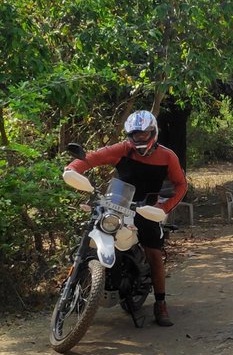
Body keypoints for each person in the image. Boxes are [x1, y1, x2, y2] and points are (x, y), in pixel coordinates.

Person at [64, 110, 187, 327]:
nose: (139, 138)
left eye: (144, 134)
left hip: (147, 209)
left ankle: (160, 303)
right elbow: (90, 158)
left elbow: (181, 184)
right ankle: (77, 286)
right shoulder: (122, 149)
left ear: (153, 132)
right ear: (129, 134)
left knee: (154, 253)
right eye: (135, 134)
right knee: (90, 232)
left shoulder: (168, 156)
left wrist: (164, 207)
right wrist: (73, 170)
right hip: (118, 204)